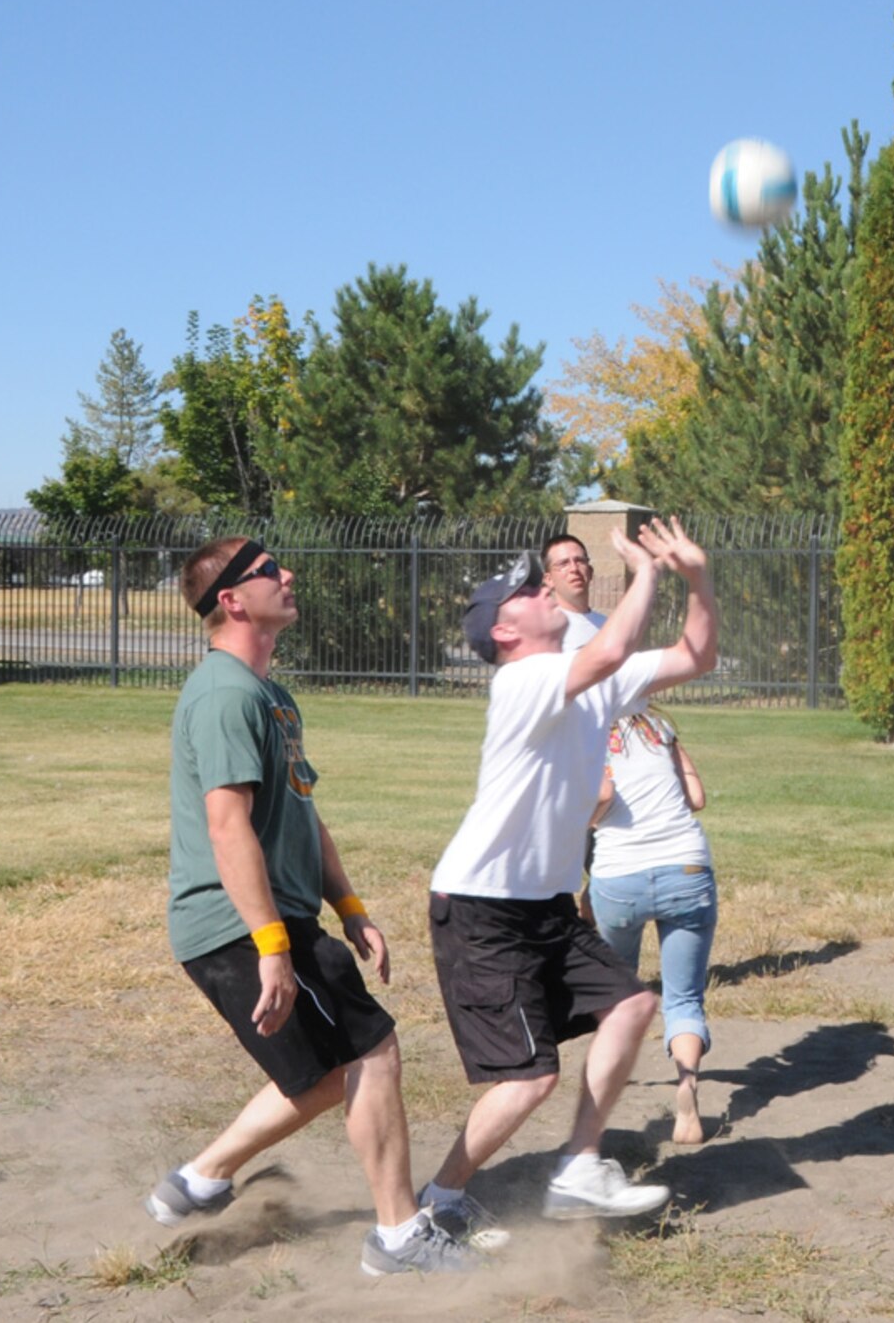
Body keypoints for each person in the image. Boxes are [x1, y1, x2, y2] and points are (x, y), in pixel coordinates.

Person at [151, 537, 470, 1276]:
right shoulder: (226, 692)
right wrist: (272, 946)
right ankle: (398, 1236)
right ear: (231, 600)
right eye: (267, 570)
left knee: (329, 1072)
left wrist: (350, 907)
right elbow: (226, 823)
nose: (287, 574)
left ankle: (197, 1180)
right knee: (372, 1051)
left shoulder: (270, 695)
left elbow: (303, 813)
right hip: (240, 923)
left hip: (270, 920)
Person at [418, 517, 718, 1237]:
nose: (540, 588)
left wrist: (697, 578)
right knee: (529, 1078)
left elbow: (696, 655)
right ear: (504, 630)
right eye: (523, 590)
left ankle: (580, 1163)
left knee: (632, 1005)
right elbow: (611, 644)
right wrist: (644, 570)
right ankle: (437, 1201)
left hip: (544, 906)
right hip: (481, 907)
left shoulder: (593, 688)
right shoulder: (522, 680)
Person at [588, 704, 716, 1146]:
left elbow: (600, 796)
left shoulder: (582, 730)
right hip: (687, 869)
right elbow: (696, 799)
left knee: (617, 1000)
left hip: (619, 877)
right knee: (684, 999)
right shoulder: (659, 726)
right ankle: (688, 1094)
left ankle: (600, 1112)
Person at [542, 533, 606, 652]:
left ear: (590, 571)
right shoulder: (543, 631)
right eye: (563, 564)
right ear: (549, 579)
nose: (574, 569)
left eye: (580, 561)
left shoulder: (608, 626)